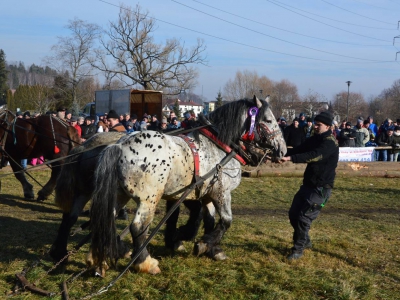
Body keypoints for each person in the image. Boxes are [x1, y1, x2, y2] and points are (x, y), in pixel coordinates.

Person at [280, 111, 339, 260]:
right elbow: (300, 149)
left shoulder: (330, 142)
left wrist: (291, 158)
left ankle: (297, 249)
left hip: (321, 188)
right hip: (308, 185)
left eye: (319, 125)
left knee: (303, 218)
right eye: (315, 124)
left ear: (328, 126)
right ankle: (305, 241)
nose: (315, 127)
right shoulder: (315, 138)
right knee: (293, 214)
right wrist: (281, 154)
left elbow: (314, 155)